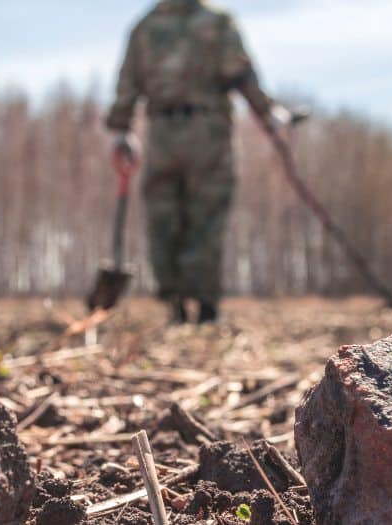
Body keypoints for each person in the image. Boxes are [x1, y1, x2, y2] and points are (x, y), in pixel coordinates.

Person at [105, 0, 296, 323]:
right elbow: (241, 73)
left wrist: (120, 129)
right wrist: (267, 113)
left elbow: (128, 83)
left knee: (164, 215)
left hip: (162, 132)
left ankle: (175, 304)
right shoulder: (216, 20)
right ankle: (206, 306)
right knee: (207, 215)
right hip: (209, 132)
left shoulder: (146, 25)